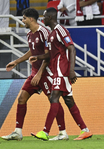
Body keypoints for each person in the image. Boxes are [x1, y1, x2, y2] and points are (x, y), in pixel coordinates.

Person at [1, 8, 69, 141]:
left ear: (31, 19)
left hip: (45, 73)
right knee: (22, 99)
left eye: (24, 18)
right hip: (34, 73)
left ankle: (63, 132)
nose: (22, 21)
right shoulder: (29, 34)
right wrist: (16, 61)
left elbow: (48, 55)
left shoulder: (44, 32)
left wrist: (39, 74)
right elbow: (32, 52)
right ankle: (18, 132)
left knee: (53, 101)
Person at [29, 7, 92, 141]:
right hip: (57, 70)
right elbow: (51, 54)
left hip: (62, 70)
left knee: (54, 97)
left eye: (44, 17)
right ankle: (84, 130)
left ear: (50, 18)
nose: (42, 19)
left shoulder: (60, 30)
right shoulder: (52, 34)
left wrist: (71, 70)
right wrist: (38, 57)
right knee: (68, 100)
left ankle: (45, 131)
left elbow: (71, 48)